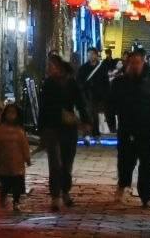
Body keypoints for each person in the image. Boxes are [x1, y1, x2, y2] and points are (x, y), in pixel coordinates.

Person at [37, 52, 89, 211]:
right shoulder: (48, 84)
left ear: (58, 67)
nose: (48, 69)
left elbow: (81, 103)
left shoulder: (71, 82)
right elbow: (43, 107)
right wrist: (41, 129)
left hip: (68, 128)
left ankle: (65, 191)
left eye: (51, 66)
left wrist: (86, 121)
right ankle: (55, 196)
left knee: (67, 163)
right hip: (52, 127)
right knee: (55, 163)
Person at [109, 46, 150, 207]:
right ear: (128, 64)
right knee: (125, 161)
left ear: (143, 63)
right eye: (133, 63)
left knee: (148, 163)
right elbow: (111, 104)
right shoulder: (119, 83)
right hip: (126, 128)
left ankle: (147, 196)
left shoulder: (149, 82)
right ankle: (123, 185)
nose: (136, 66)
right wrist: (112, 123)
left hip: (145, 129)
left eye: (139, 62)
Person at [0, 102, 32, 212]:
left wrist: (27, 158)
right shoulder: (0, 131)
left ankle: (16, 202)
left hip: (18, 165)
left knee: (17, 185)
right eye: (9, 112)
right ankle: (3, 196)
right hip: (4, 164)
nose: (11, 115)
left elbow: (24, 146)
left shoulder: (20, 132)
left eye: (13, 113)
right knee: (5, 184)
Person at [78, 46, 113, 141]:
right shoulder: (83, 68)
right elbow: (79, 81)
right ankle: (90, 133)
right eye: (88, 54)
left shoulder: (102, 68)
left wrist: (106, 94)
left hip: (98, 95)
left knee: (94, 114)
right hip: (87, 94)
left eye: (92, 54)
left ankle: (94, 133)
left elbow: (105, 82)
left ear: (96, 55)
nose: (90, 56)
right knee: (89, 113)